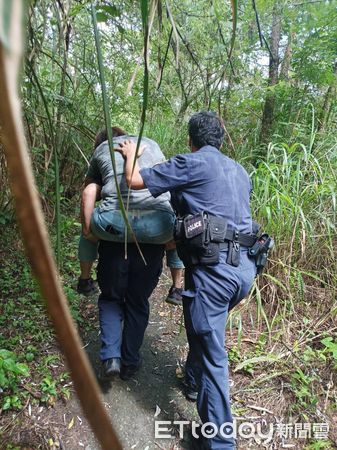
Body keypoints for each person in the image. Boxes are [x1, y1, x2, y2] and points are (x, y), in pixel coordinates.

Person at [117, 111, 257, 449]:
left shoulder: (191, 163)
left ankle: (222, 444)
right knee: (204, 328)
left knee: (213, 356)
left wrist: (129, 156)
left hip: (214, 271)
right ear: (221, 140)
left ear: (190, 141)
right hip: (244, 270)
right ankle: (193, 383)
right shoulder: (239, 171)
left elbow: (134, 181)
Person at [77, 128, 184, 306]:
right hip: (158, 226)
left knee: (88, 217)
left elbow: (89, 189)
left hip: (112, 223)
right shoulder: (152, 146)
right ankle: (177, 288)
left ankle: (85, 280)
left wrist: (89, 230)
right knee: (176, 230)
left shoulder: (103, 149)